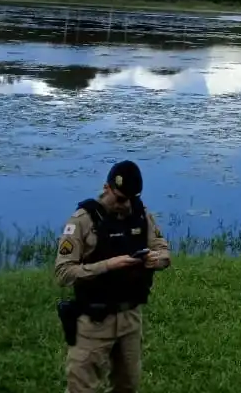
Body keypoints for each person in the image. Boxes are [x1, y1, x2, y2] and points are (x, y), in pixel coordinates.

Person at [55, 160, 172, 393]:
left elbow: (163, 249)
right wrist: (108, 265)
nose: (125, 205)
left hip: (130, 319)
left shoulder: (140, 214)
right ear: (107, 188)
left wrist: (157, 259)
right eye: (120, 199)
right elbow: (63, 272)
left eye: (130, 199)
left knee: (127, 386)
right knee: (82, 388)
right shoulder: (83, 221)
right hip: (93, 320)